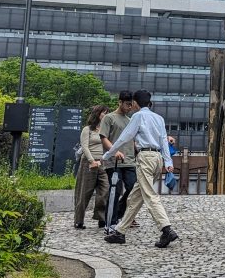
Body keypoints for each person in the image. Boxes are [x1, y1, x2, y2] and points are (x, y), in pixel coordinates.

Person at [100, 90, 179, 248]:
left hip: (145, 158)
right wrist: (168, 161)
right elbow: (164, 140)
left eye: (132, 102)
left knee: (149, 195)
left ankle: (166, 229)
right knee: (134, 198)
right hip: (157, 159)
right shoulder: (159, 118)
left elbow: (125, 137)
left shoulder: (138, 116)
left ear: (136, 102)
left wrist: (108, 154)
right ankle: (120, 232)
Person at [100, 92, 138, 226]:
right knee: (115, 191)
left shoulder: (130, 120)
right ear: (120, 102)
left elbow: (133, 140)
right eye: (127, 104)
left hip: (130, 161)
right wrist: (113, 151)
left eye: (131, 105)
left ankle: (120, 213)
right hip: (113, 162)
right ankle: (111, 221)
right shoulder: (109, 118)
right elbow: (103, 138)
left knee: (133, 188)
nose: (129, 107)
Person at [74, 104, 109, 230]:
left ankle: (101, 218)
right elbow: (85, 147)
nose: (105, 115)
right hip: (88, 163)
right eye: (103, 112)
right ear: (97, 114)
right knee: (84, 192)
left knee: (105, 190)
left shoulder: (105, 130)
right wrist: (91, 160)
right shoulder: (87, 129)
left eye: (106, 112)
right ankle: (79, 220)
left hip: (102, 163)